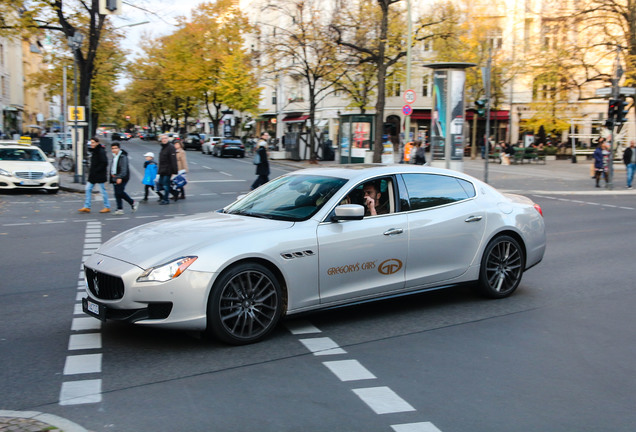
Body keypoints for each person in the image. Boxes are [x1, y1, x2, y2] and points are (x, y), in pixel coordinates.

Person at [78, 136, 111, 213]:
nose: (91, 144)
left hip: (99, 174)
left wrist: (97, 170)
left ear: (97, 143)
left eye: (93, 142)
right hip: (93, 174)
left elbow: (104, 162)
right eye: (91, 142)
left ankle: (107, 207)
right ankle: (87, 206)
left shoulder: (100, 151)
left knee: (102, 191)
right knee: (88, 189)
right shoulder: (95, 150)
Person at [110, 142, 138, 215]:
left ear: (119, 148)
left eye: (115, 148)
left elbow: (124, 168)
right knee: (117, 193)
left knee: (120, 192)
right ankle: (119, 209)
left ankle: (132, 202)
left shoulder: (123, 156)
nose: (114, 150)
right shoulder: (114, 156)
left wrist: (120, 177)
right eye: (112, 148)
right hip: (115, 177)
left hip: (122, 177)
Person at [157, 134, 178, 205]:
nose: (164, 140)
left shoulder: (171, 147)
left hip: (168, 170)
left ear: (168, 139)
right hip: (162, 170)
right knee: (161, 184)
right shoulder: (163, 147)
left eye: (165, 138)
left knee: (166, 185)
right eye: (162, 138)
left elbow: (173, 160)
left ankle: (166, 199)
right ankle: (175, 192)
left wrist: (174, 171)